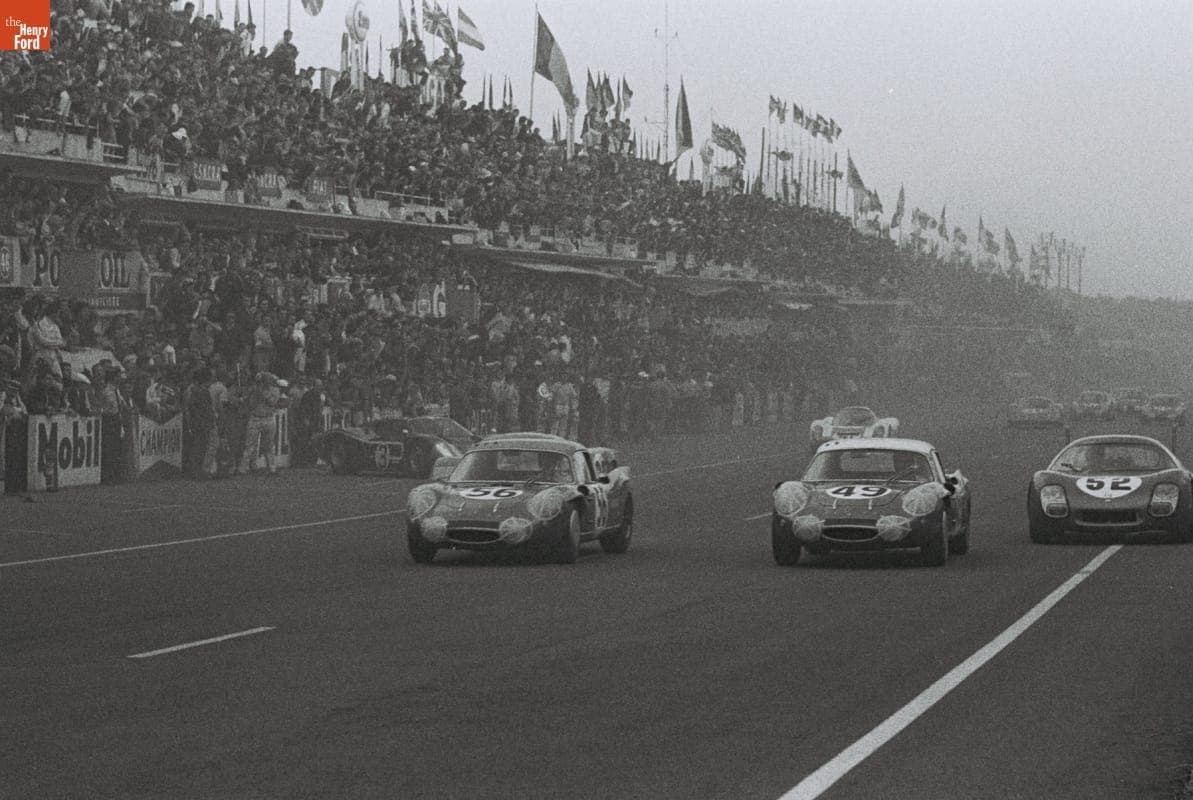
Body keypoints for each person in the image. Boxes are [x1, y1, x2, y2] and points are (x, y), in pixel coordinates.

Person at [239, 372, 281, 475]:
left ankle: (272, 468)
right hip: (255, 418)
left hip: (268, 418)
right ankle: (243, 468)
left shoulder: (275, 390)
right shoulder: (254, 391)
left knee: (269, 445)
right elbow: (251, 404)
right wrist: (253, 394)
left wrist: (263, 394)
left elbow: (273, 403)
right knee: (250, 445)